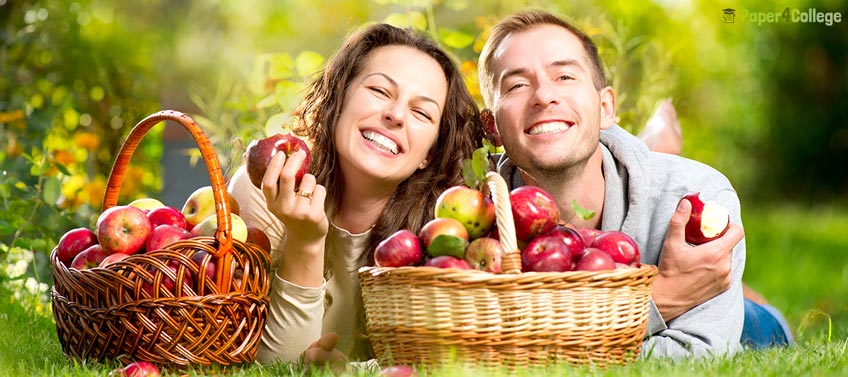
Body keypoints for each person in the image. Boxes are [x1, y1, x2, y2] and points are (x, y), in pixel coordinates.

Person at [476, 9, 790, 358]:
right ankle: (650, 143)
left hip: (750, 326)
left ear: (606, 107)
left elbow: (691, 356)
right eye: (517, 84)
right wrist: (661, 297)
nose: (543, 96)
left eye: (564, 76)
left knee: (754, 318)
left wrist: (538, 350)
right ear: (492, 127)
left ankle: (650, 152)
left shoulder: (693, 197)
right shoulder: (474, 219)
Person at [227, 23, 484, 367]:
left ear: (429, 154)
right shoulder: (268, 188)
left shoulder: (444, 233)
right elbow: (275, 368)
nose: (395, 115)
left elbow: (431, 362)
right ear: (339, 97)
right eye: (379, 90)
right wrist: (305, 242)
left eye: (421, 112)